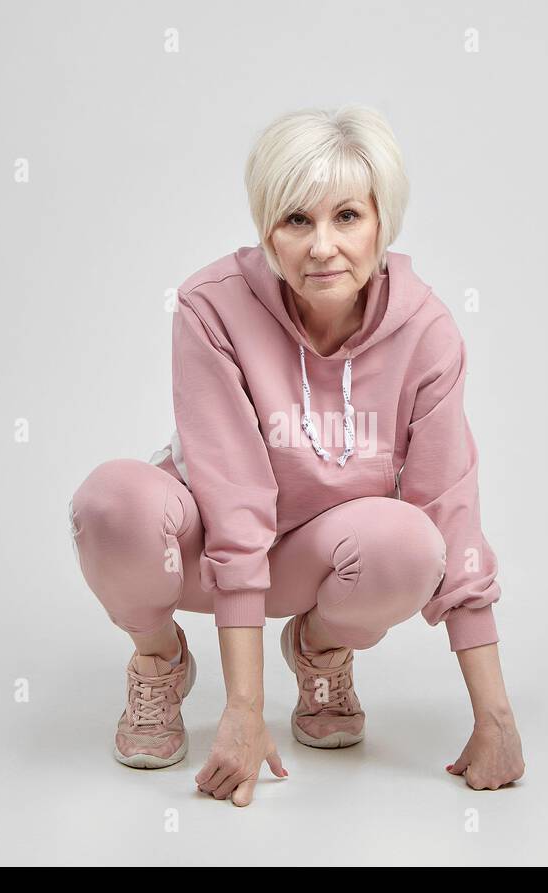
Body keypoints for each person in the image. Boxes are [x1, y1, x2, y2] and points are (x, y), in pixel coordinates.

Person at [69, 105, 524, 807]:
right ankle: (158, 660)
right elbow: (234, 495)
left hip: (319, 560)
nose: (322, 247)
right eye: (296, 221)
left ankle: (319, 651)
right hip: (205, 554)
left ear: (382, 222)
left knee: (412, 541)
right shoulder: (211, 306)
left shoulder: (426, 332)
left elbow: (450, 510)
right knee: (114, 502)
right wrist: (243, 712)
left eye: (347, 216)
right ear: (266, 230)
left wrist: (494, 717)